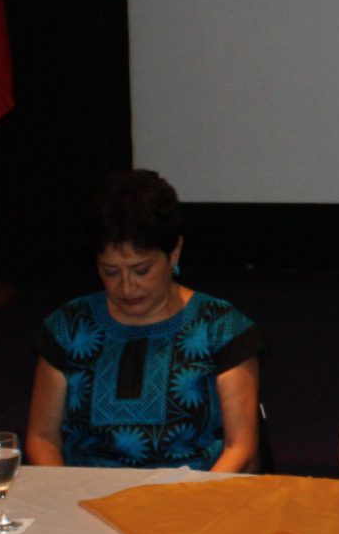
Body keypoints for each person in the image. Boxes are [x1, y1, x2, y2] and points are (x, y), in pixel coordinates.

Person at [25, 170, 265, 471]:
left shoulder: (221, 328)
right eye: (110, 271)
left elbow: (240, 448)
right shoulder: (70, 327)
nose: (126, 287)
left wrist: (198, 497)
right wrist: (66, 493)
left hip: (194, 491)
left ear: (174, 253)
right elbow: (42, 438)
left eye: (141, 270)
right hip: (87, 492)